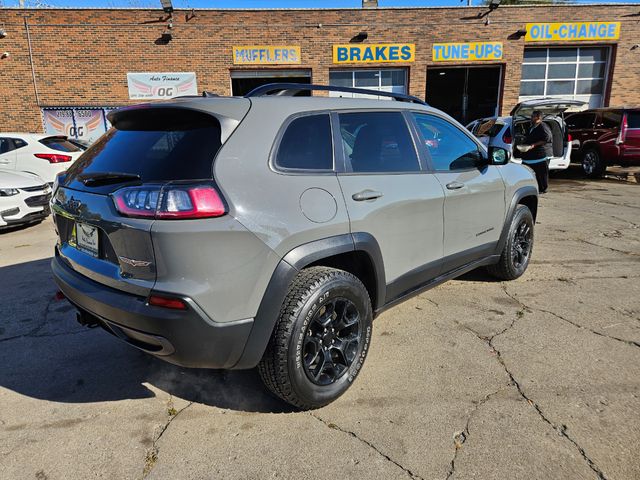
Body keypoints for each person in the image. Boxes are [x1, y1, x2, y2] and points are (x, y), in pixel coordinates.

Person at [520, 110, 553, 193]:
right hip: (531, 155)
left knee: (541, 174)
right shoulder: (532, 126)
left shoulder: (543, 126)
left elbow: (547, 138)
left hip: (541, 155)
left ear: (538, 117)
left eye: (533, 116)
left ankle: (542, 189)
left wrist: (533, 145)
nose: (531, 118)